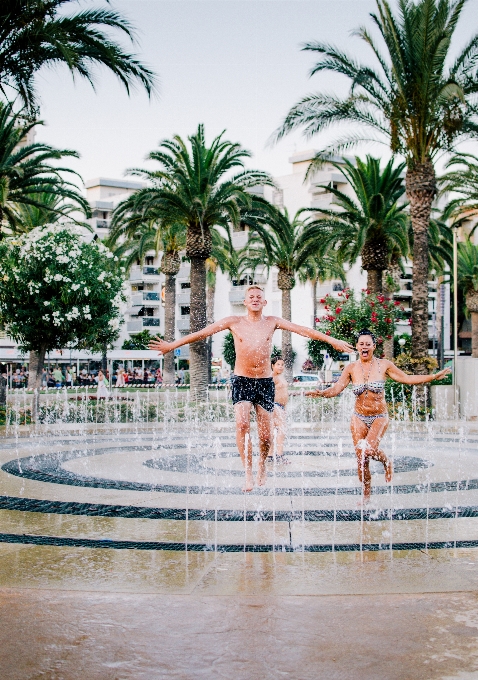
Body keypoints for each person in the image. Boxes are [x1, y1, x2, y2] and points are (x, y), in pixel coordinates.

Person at [149, 285, 353, 492]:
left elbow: (302, 329)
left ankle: (262, 464)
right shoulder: (234, 322)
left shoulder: (272, 322)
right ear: (245, 302)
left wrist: (331, 340)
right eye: (251, 297)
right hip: (242, 380)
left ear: (264, 302)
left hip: (265, 382)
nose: (255, 299)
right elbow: (202, 333)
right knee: (242, 425)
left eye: (259, 297)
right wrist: (171, 346)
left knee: (265, 437)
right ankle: (248, 472)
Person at [306, 328, 451, 505]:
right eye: (361, 344)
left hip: (379, 417)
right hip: (358, 417)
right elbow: (336, 389)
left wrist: (433, 377)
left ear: (374, 346)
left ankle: (386, 462)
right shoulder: (351, 368)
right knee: (361, 459)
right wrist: (321, 393)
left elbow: (406, 378)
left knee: (369, 449)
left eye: (368, 344)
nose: (364, 347)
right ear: (357, 347)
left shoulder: (384, 365)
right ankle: (366, 496)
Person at [269, 356, 290, 465]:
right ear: (272, 366)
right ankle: (279, 455)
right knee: (281, 430)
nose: (281, 366)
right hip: (275, 406)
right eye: (278, 364)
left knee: (273, 431)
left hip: (281, 406)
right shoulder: (272, 377)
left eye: (282, 364)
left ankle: (270, 455)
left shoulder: (281, 376)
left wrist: (284, 407)